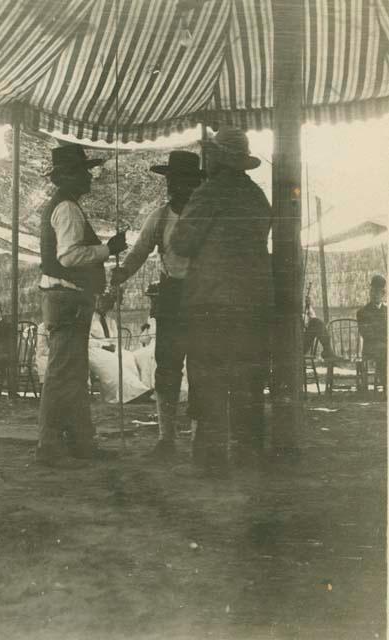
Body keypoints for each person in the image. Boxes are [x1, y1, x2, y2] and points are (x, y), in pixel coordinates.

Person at [171, 127, 272, 474]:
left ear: (219, 158)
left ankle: (211, 459)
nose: (206, 158)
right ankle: (249, 455)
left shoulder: (208, 192)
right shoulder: (257, 197)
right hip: (254, 303)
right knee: (247, 378)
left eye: (210, 153)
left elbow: (182, 243)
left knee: (209, 377)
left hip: (211, 302)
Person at [36, 144, 127, 466]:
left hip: (67, 297)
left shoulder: (65, 205)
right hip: (67, 296)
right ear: (69, 176)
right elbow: (70, 256)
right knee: (63, 373)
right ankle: (50, 446)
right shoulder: (67, 209)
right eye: (84, 172)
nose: (89, 177)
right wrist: (107, 249)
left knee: (73, 374)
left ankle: (80, 443)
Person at [112, 151, 205, 458]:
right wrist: (122, 272)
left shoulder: (207, 215)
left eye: (185, 181)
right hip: (172, 297)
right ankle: (166, 438)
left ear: (196, 183)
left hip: (204, 297)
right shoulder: (160, 217)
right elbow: (139, 252)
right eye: (173, 181)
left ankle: (199, 437)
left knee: (202, 366)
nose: (178, 186)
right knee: (167, 367)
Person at [89, 292, 152, 404]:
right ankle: (121, 394)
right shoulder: (89, 320)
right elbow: (86, 340)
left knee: (128, 357)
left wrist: (112, 346)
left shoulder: (111, 321)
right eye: (102, 302)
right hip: (94, 349)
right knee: (113, 362)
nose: (104, 306)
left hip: (111, 347)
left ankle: (136, 390)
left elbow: (115, 339)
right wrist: (102, 345)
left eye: (108, 303)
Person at [357, 274, 387, 391]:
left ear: (383, 294)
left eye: (378, 292)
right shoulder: (363, 312)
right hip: (370, 347)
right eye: (372, 291)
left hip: (383, 344)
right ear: (370, 292)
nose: (374, 294)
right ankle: (385, 384)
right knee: (384, 350)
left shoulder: (387, 311)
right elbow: (367, 334)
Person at [303, 293, 335, 360]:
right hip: (292, 344)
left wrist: (308, 307)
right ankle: (327, 350)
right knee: (316, 322)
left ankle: (327, 350)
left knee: (316, 322)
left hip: (300, 341)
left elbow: (312, 320)